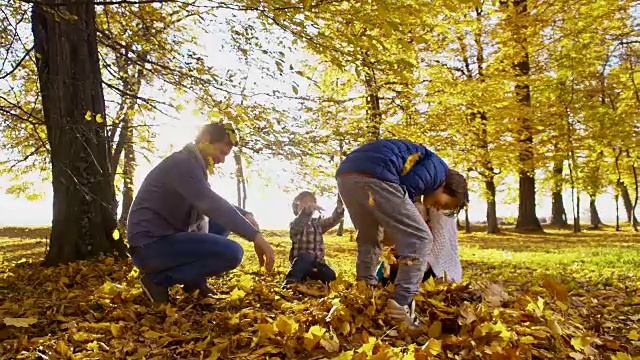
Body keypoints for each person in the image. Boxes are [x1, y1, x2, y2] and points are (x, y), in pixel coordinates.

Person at [126, 122, 275, 303]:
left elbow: (209, 199)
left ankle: (194, 282)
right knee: (232, 253)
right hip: (150, 247)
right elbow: (210, 203)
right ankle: (157, 281)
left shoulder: (193, 165)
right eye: (221, 152)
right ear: (205, 139)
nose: (222, 160)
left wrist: (244, 213)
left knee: (220, 225)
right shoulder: (182, 163)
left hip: (164, 241)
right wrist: (256, 237)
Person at [335, 139, 468, 328]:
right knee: (420, 238)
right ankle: (402, 303)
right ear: (446, 186)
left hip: (347, 174)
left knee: (369, 237)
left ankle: (364, 293)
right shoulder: (438, 170)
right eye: (444, 203)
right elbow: (407, 186)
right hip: (376, 175)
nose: (436, 206)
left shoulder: (426, 162)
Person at [376, 202, 462, 286]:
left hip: (419, 263)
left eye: (420, 212)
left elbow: (428, 250)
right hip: (402, 259)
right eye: (414, 213)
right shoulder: (406, 230)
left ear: (427, 217)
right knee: (389, 267)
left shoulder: (428, 232)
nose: (417, 216)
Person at [282, 191, 344, 288]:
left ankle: (314, 277)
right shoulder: (295, 223)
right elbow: (298, 225)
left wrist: (339, 208)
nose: (309, 206)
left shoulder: (317, 223)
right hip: (302, 263)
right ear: (296, 208)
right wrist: (305, 212)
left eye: (311, 203)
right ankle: (291, 282)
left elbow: (332, 221)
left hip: (317, 264)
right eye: (305, 204)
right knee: (304, 257)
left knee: (330, 274)